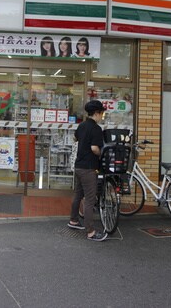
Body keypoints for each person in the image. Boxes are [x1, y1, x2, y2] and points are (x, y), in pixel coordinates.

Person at [68, 99, 107, 242]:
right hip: (89, 168)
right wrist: (101, 154)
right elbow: (94, 148)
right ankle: (90, 231)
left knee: (78, 194)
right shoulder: (96, 129)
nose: (102, 116)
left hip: (78, 166)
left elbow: (75, 138)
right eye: (101, 113)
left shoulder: (82, 125)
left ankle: (73, 220)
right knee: (90, 200)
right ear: (97, 113)